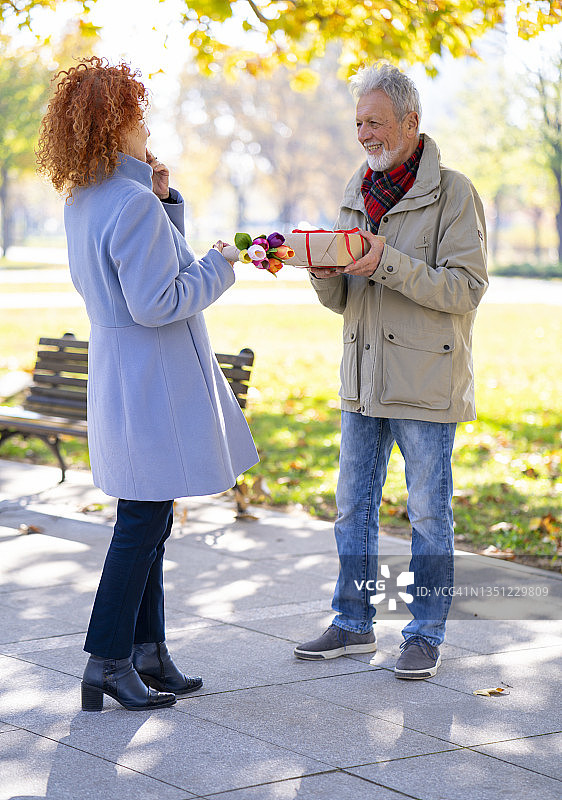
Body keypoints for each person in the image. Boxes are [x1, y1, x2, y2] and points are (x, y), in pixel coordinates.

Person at [37, 57, 258, 710]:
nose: (146, 130)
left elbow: (150, 272)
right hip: (151, 383)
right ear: (118, 123)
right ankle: (107, 658)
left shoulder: (90, 196)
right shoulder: (128, 201)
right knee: (141, 523)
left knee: (152, 516)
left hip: (123, 378)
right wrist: (221, 263)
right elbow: (159, 301)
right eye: (138, 117)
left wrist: (169, 206)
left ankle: (147, 651)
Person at [294, 62, 488, 678]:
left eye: (375, 122)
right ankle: (353, 623)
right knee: (352, 507)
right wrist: (324, 276)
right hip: (362, 381)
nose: (365, 135)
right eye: (358, 123)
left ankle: (425, 630)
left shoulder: (455, 193)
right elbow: (349, 301)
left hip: (425, 383)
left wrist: (384, 263)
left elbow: (465, 289)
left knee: (428, 512)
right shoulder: (357, 191)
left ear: (411, 121)